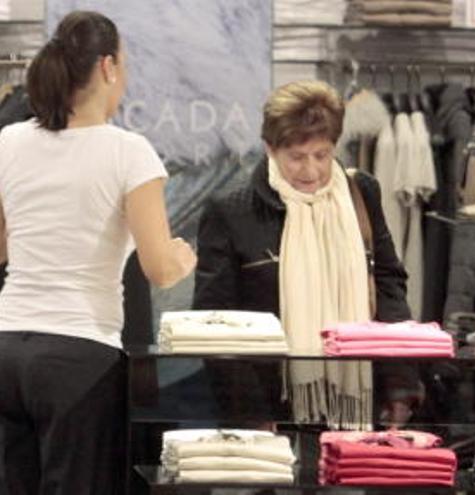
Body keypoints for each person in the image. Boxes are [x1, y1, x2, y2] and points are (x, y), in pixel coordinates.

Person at [0, 11, 196, 494]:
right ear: (108, 67)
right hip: (79, 357)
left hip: (8, 347)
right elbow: (160, 269)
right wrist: (182, 256)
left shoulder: (8, 140)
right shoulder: (128, 152)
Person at [193, 81, 419, 425]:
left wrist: (399, 384)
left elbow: (388, 284)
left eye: (322, 155)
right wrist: (251, 414)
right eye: (296, 158)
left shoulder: (362, 194)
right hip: (268, 405)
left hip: (358, 401)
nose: (311, 171)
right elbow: (215, 319)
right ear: (270, 148)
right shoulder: (231, 211)